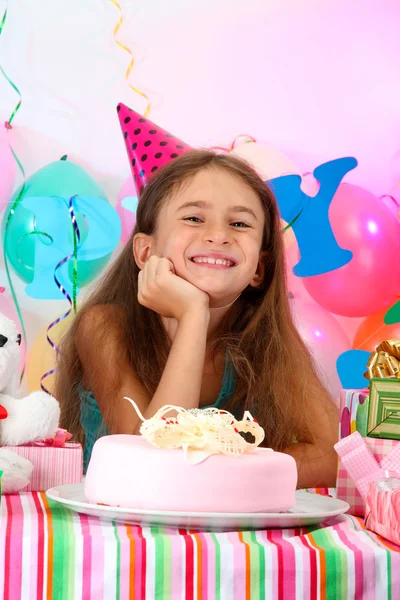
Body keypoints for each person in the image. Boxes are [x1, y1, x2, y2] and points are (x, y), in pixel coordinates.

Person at [55, 149, 338, 488]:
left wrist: (215, 475)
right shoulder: (103, 327)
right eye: (194, 218)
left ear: (259, 269)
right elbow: (157, 465)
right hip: (123, 527)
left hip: (221, 534)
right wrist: (192, 315)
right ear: (146, 252)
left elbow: (332, 455)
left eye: (239, 223)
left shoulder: (267, 340)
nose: (219, 235)